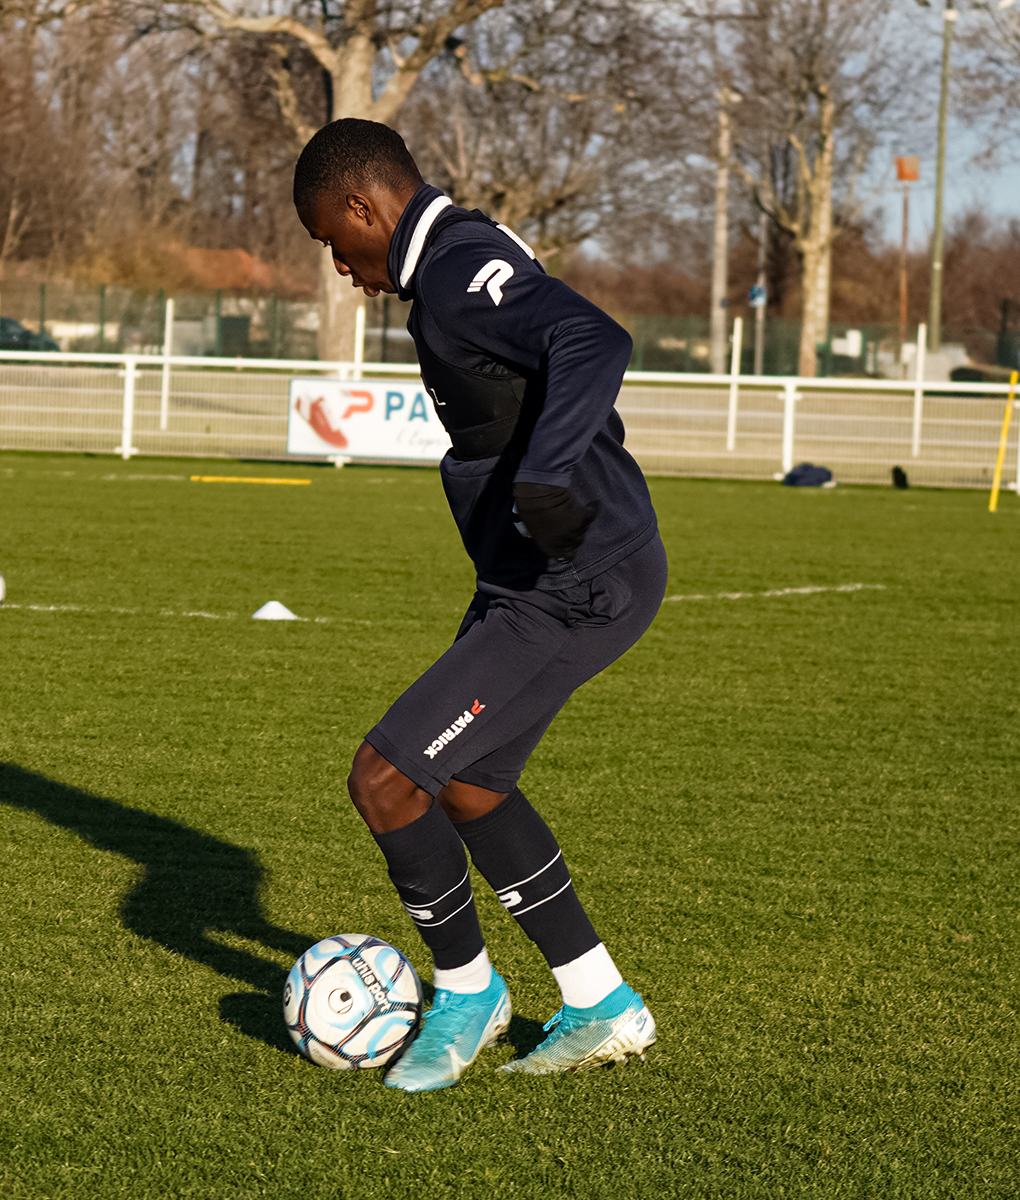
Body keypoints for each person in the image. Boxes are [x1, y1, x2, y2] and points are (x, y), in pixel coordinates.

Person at [292, 119, 667, 1093]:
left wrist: (546, 475)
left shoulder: (456, 278)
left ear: (364, 208)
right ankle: (601, 1003)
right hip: (536, 579)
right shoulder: (466, 249)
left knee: (384, 780)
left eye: (335, 241)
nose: (340, 267)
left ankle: (466, 992)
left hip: (575, 582)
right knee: (468, 784)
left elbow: (594, 335)